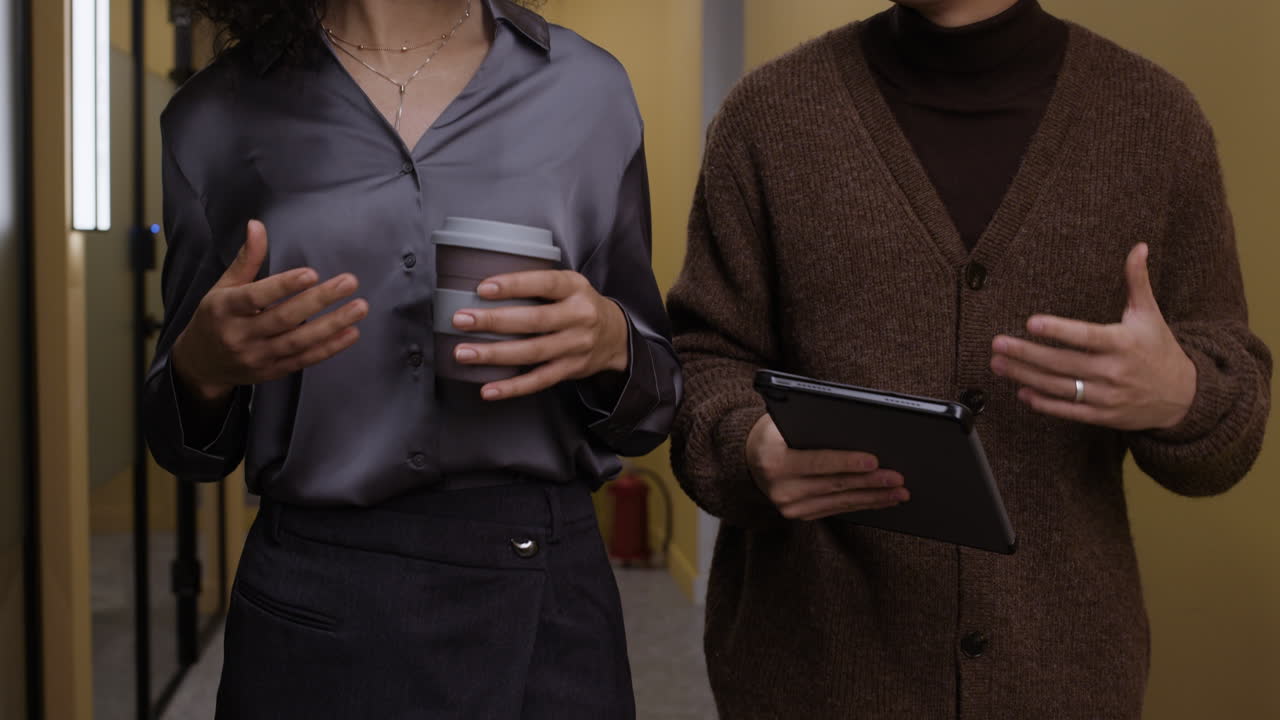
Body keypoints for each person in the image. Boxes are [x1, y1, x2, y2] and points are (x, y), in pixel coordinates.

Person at [668, 0, 1271, 718]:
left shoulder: (1157, 121)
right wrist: (748, 444)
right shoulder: (765, 118)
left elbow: (1230, 416)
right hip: (810, 671)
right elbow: (703, 359)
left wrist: (1183, 397)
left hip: (1061, 677)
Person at [143, 0, 681, 717]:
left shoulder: (587, 88)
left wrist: (612, 342)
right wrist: (201, 366)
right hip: (317, 599)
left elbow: (652, 407)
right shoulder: (212, 114)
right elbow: (184, 446)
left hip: (543, 595)